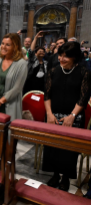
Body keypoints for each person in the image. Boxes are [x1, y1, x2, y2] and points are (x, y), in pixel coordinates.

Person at [43, 42, 91, 192]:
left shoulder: (84, 72)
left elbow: (83, 98)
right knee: (53, 146)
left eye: (66, 56)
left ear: (75, 57)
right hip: (53, 115)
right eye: (60, 55)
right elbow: (47, 95)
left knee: (68, 149)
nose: (61, 59)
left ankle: (65, 178)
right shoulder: (53, 71)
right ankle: (55, 174)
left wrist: (72, 116)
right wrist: (49, 114)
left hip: (73, 117)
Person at [0, 33, 27, 121]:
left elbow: (17, 88)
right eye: (2, 43)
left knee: (8, 132)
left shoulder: (22, 64)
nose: (3, 47)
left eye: (8, 45)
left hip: (10, 105)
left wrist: (0, 102)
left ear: (15, 46)